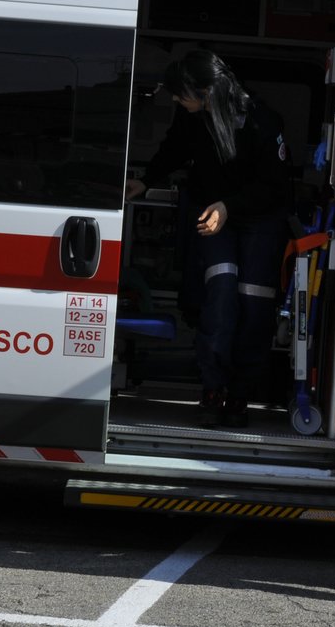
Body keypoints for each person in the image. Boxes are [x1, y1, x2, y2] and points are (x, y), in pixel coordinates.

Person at [125, 50, 292, 428]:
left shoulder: (262, 122)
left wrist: (229, 206)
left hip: (258, 220)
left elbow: (275, 187)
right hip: (215, 216)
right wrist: (147, 179)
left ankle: (240, 393)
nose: (174, 100)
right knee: (219, 297)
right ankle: (213, 387)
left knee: (253, 305)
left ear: (206, 92)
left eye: (180, 93)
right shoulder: (192, 119)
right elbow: (173, 149)